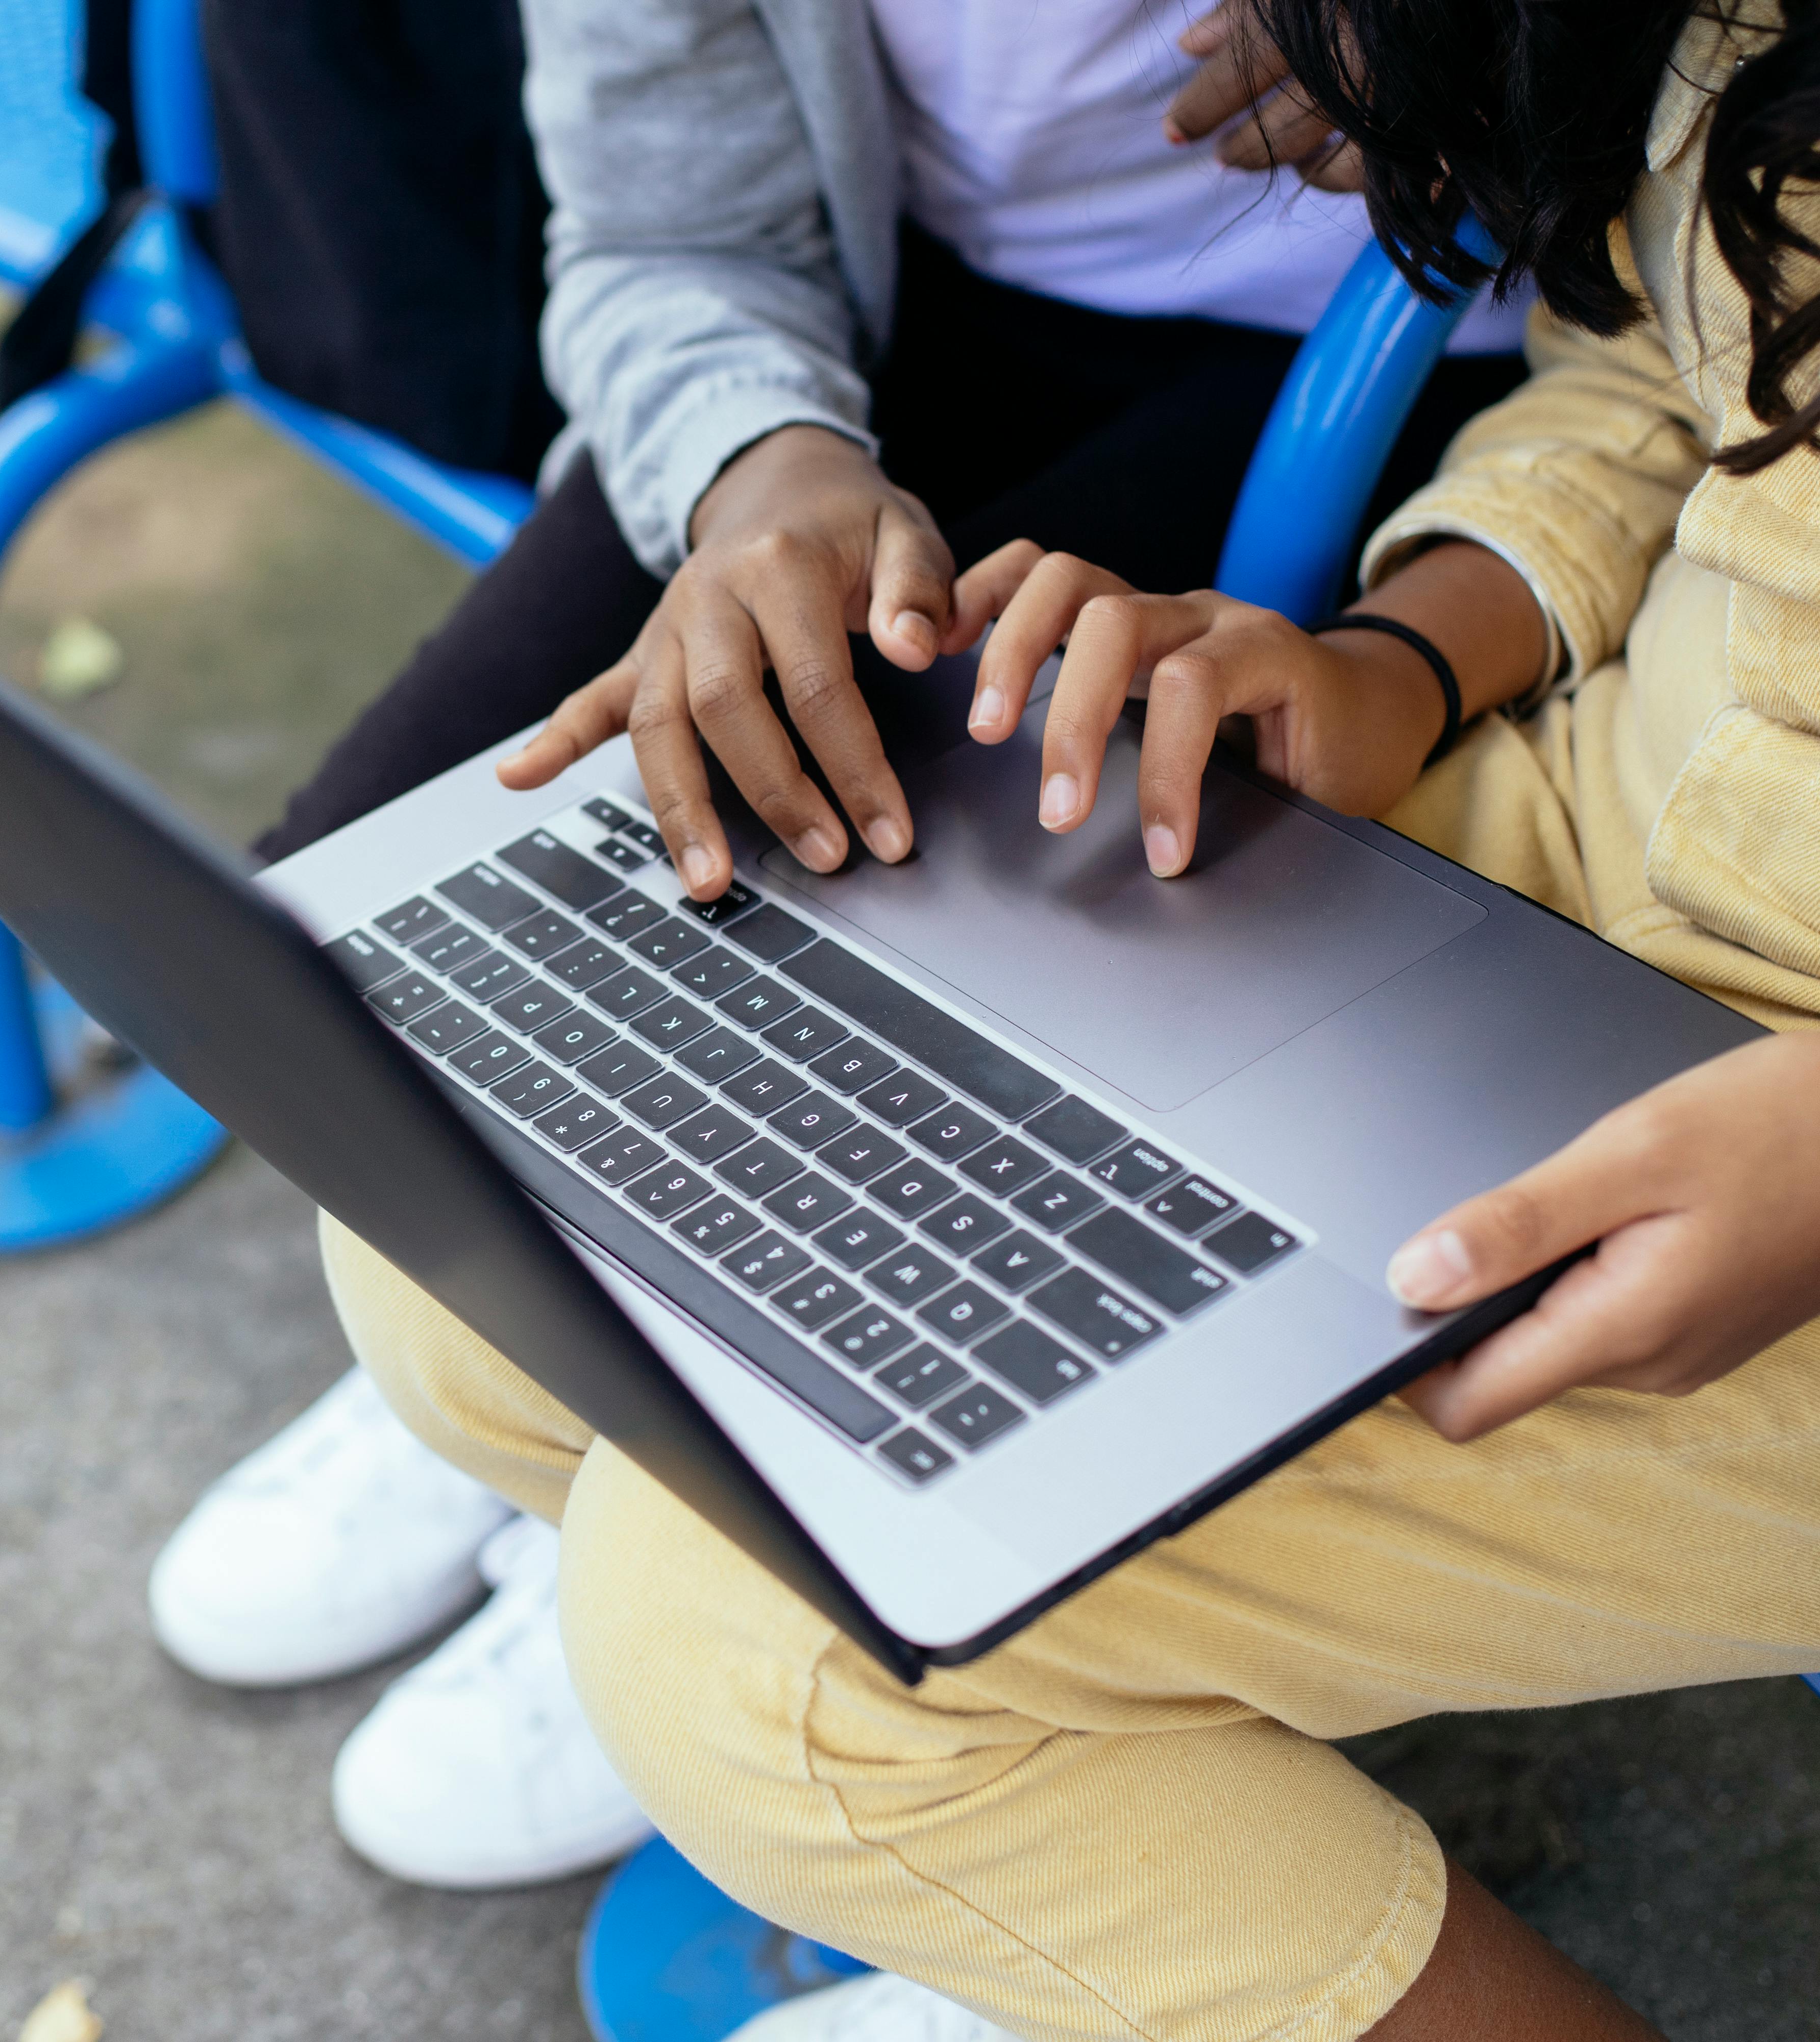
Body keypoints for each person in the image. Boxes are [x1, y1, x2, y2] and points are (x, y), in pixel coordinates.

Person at [325, 0, 1820, 2030]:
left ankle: (1028, 1822)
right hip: (1584, 841)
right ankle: (1097, 1886)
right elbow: (1667, 376)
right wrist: (1388, 668)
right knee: (461, 1226)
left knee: (764, 1666)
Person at [147, 0, 1536, 1892]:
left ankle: (716, 1492)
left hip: (1404, 360)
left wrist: (1510, 66)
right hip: (892, 312)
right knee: (363, 919)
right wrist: (760, 468)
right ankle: (544, 1375)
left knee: (892, 927)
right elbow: (663, 229)